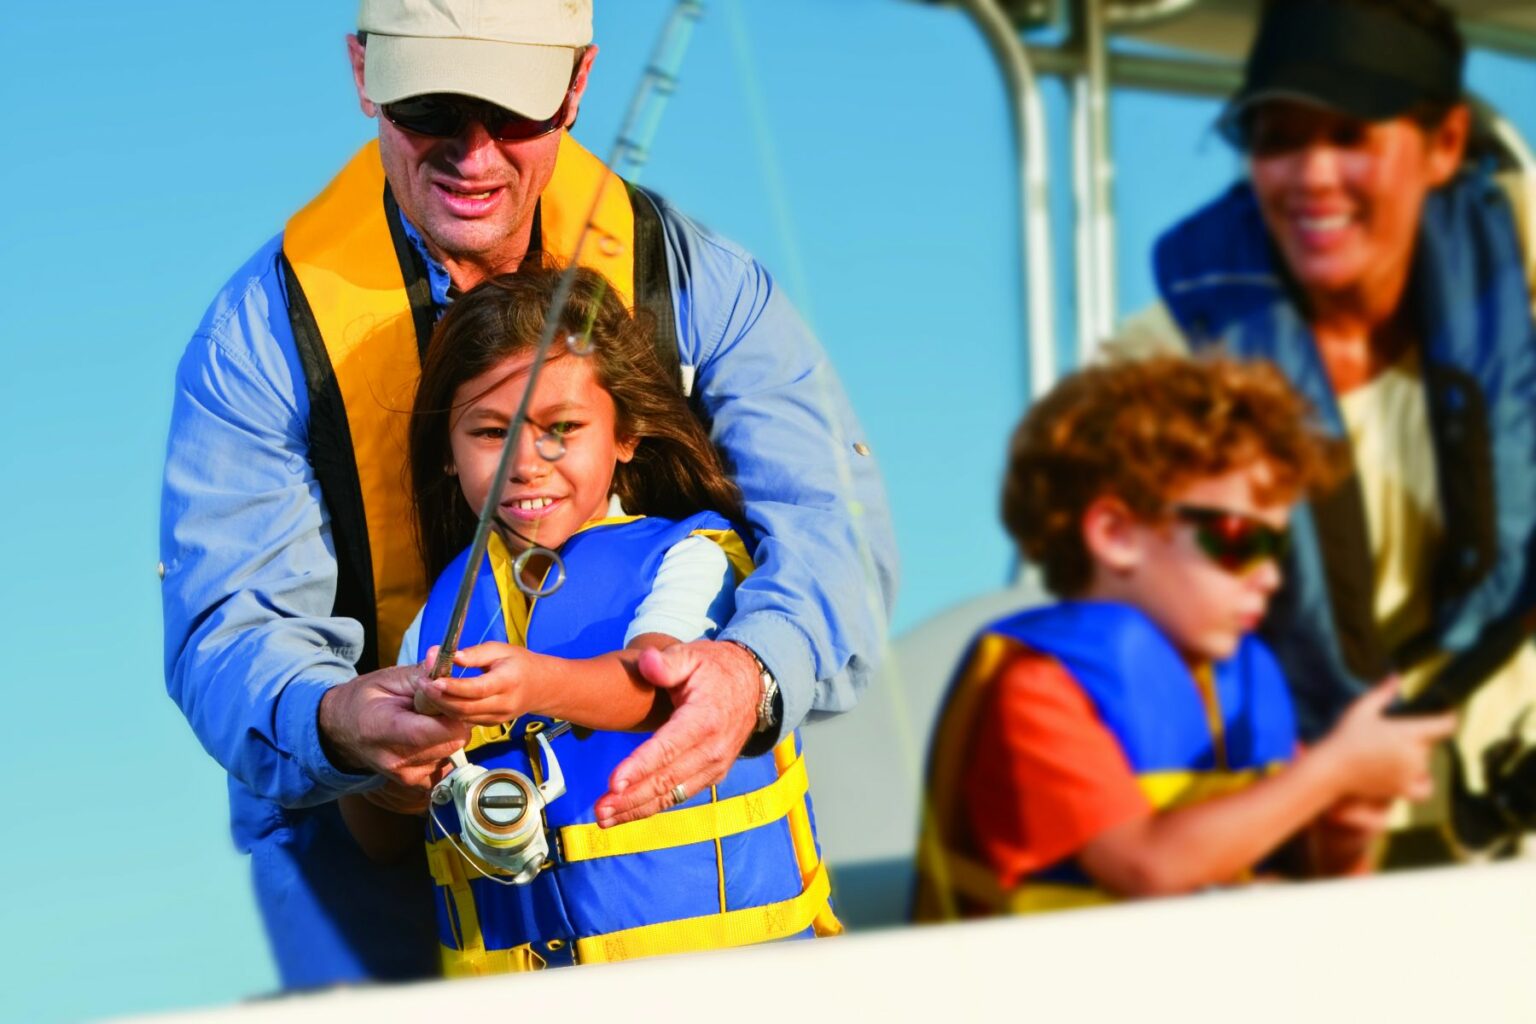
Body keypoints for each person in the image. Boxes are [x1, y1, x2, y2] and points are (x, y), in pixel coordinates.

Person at [159, 0, 893, 988]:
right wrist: (336, 721)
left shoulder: (704, 284)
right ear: (363, 73)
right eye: (430, 109)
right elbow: (229, 631)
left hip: (672, 856)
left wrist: (749, 679)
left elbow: (829, 529)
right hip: (366, 853)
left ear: (579, 85)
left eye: (509, 113)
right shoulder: (253, 343)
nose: (471, 154)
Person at [1107, 0, 1536, 864]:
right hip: (1299, 840)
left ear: (1445, 145)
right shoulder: (1159, 363)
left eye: (1351, 135)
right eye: (1276, 138)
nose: (1312, 175)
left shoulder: (1519, 281)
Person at [340, 263, 840, 974]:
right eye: (488, 433)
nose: (525, 464)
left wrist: (537, 685)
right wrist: (378, 774)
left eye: (563, 428)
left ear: (627, 433)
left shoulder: (693, 557)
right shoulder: (437, 619)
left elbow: (660, 684)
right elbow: (382, 835)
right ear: (447, 456)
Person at [913, 357, 1457, 919]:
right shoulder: (1039, 693)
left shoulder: (1240, 686)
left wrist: (1343, 836)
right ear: (1116, 534)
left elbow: (1303, 878)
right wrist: (1331, 772)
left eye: (1280, 548)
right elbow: (1150, 867)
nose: (1269, 576)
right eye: (1240, 540)